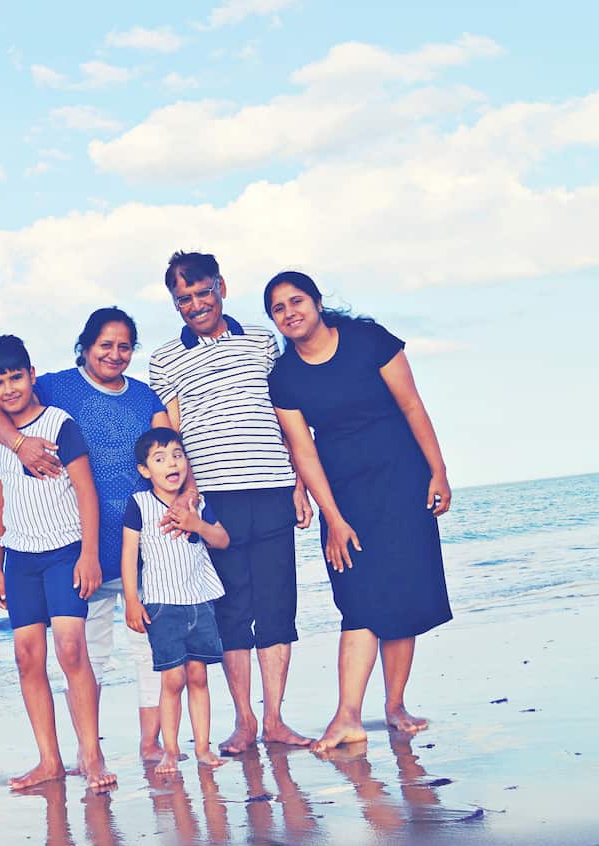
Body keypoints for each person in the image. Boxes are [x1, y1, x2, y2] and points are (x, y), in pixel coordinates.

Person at [263, 271, 452, 754]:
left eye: (296, 301)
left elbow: (413, 407)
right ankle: (347, 715)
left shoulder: (370, 340)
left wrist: (438, 472)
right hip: (345, 495)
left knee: (405, 595)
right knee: (359, 599)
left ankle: (394, 706)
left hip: (402, 481)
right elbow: (302, 451)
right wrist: (334, 519)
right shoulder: (284, 378)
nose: (290, 312)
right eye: (278, 309)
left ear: (318, 302)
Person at [0, 308, 173, 762]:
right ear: (84, 346)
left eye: (125, 346)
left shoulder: (145, 398)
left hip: (139, 541)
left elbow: (170, 453)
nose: (115, 354)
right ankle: (89, 750)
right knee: (88, 651)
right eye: (105, 344)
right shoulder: (56, 386)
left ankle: (150, 743)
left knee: (149, 645)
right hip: (81, 549)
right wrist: (19, 444)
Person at [147, 251, 313, 755]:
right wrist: (183, 495)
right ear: (175, 302)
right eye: (184, 298)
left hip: (272, 487)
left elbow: (288, 417)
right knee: (233, 614)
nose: (195, 304)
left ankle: (277, 720)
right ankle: (244, 722)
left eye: (202, 292)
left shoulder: (263, 342)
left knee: (279, 606)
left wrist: (300, 483)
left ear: (221, 286)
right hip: (214, 500)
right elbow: (167, 430)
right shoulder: (164, 359)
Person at [0, 333, 117, 790]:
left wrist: (90, 554)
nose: (9, 389)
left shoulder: (60, 424)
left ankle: (92, 757)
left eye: (15, 377)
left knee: (72, 650)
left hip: (65, 552)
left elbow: (86, 492)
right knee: (26, 658)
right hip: (20, 559)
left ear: (32, 374)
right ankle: (49, 761)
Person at [121, 427, 230, 772]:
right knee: (173, 679)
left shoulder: (196, 503)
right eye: (160, 458)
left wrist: (196, 524)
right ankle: (169, 749)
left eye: (177, 455)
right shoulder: (138, 504)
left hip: (200, 600)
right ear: (144, 470)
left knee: (198, 676)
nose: (172, 463)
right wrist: (131, 601)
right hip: (162, 604)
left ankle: (202, 748)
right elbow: (128, 556)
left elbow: (222, 539)